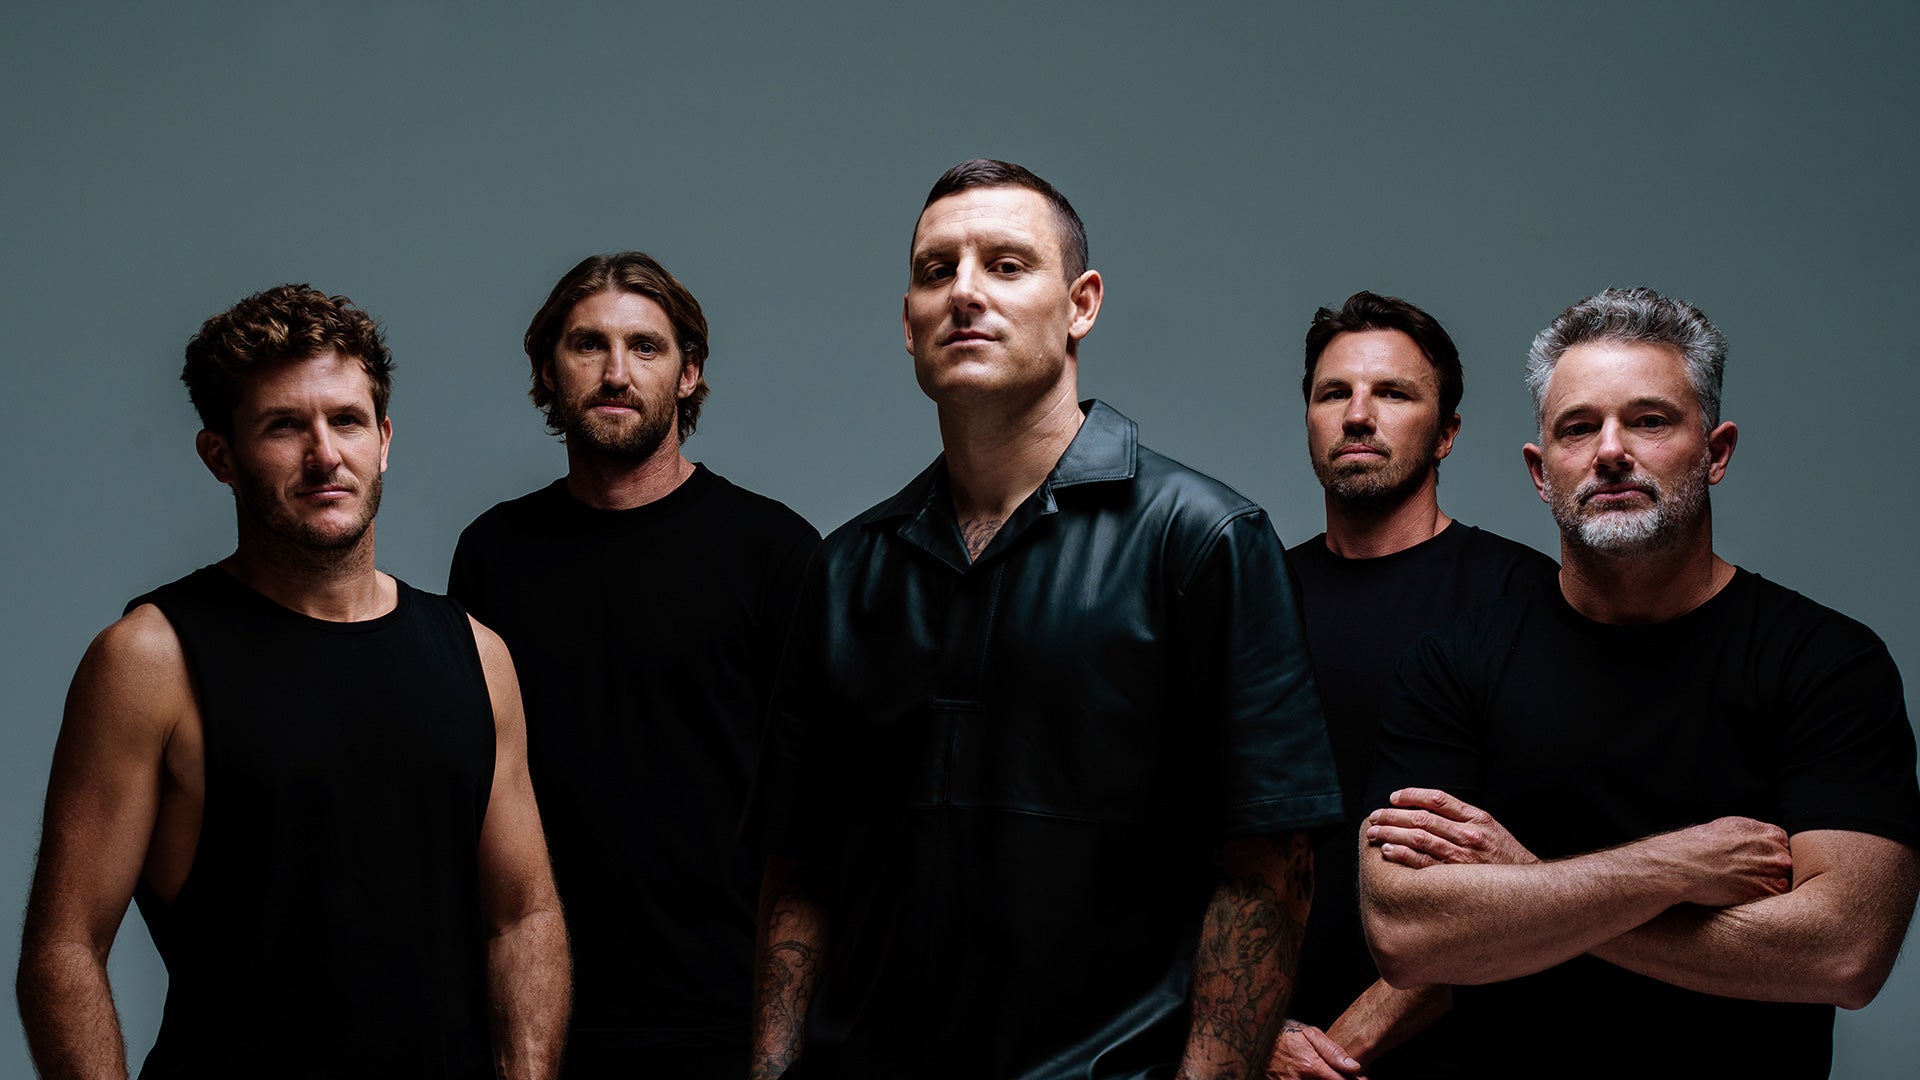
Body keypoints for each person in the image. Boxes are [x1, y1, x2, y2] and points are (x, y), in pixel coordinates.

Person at [742, 159, 1341, 1080]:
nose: (964, 292)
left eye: (1007, 265)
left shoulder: (1204, 540)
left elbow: (1267, 871)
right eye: (936, 270)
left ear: (1081, 305)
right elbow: (799, 871)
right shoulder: (848, 568)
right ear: (907, 322)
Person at [1357, 286, 1920, 1078]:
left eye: (1650, 421)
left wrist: (1525, 885)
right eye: (1578, 427)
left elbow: (1845, 951)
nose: (1611, 450)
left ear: (1716, 452)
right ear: (1541, 471)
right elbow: (1408, 936)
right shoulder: (1451, 666)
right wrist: (1669, 869)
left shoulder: (1827, 662)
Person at [16, 284, 570, 1079]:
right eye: (283, 426)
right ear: (220, 456)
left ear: (383, 439)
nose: (324, 455)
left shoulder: (478, 656)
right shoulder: (149, 661)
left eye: (346, 420)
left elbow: (523, 917)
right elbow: (64, 948)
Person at [449, 251, 819, 1077]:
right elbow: (470, 807)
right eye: (588, 345)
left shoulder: (775, 553)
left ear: (689, 374)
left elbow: (816, 827)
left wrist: (778, 1053)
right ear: (547, 371)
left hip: (721, 1025)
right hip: (538, 1024)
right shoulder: (494, 554)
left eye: (645, 347)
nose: (616, 373)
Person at [1273, 292, 1555, 1080]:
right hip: (1264, 1044)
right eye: (1334, 393)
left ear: (1447, 433)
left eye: (1393, 394)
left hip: (1462, 1050)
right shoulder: (1252, 595)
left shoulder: (1524, 598)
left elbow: (1548, 867)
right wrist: (1252, 1032)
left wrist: (1343, 1049)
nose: (1358, 416)